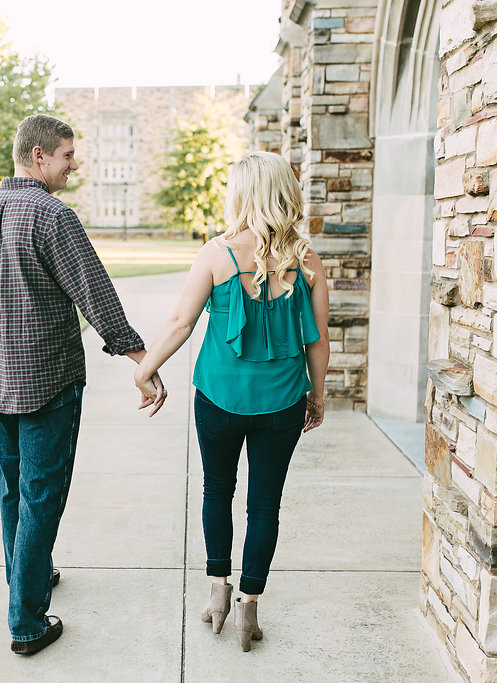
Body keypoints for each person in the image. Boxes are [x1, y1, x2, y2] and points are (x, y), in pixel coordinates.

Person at [0, 113, 165, 655]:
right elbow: (95, 293)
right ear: (40, 156)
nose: (75, 165)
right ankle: (26, 622)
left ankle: (29, 575)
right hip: (47, 381)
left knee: (12, 487)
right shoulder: (53, 216)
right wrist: (143, 361)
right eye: (68, 155)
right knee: (40, 495)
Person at [134, 151, 329, 652]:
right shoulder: (306, 259)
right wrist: (318, 395)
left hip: (218, 401)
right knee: (265, 505)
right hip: (283, 403)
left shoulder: (216, 254)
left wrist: (145, 366)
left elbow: (181, 322)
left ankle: (217, 594)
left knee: (217, 493)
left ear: (242, 194)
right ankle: (249, 607)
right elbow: (319, 341)